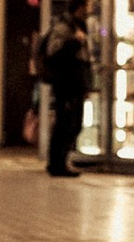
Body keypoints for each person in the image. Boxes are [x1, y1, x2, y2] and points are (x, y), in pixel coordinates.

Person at [39, 18, 94, 177]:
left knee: (73, 124)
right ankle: (57, 164)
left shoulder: (77, 27)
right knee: (65, 124)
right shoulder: (64, 29)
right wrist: (75, 41)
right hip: (65, 84)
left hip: (74, 84)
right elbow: (55, 53)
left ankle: (60, 162)